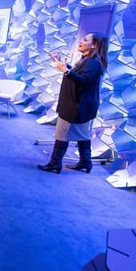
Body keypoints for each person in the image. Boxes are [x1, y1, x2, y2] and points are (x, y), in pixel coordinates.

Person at [38, 32, 108, 174]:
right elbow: (80, 74)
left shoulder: (92, 62)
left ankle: (55, 163)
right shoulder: (90, 60)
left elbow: (83, 80)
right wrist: (64, 66)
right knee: (82, 134)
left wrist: (65, 70)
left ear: (94, 45)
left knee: (62, 134)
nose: (81, 41)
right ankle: (85, 162)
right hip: (83, 106)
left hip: (76, 106)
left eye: (85, 40)